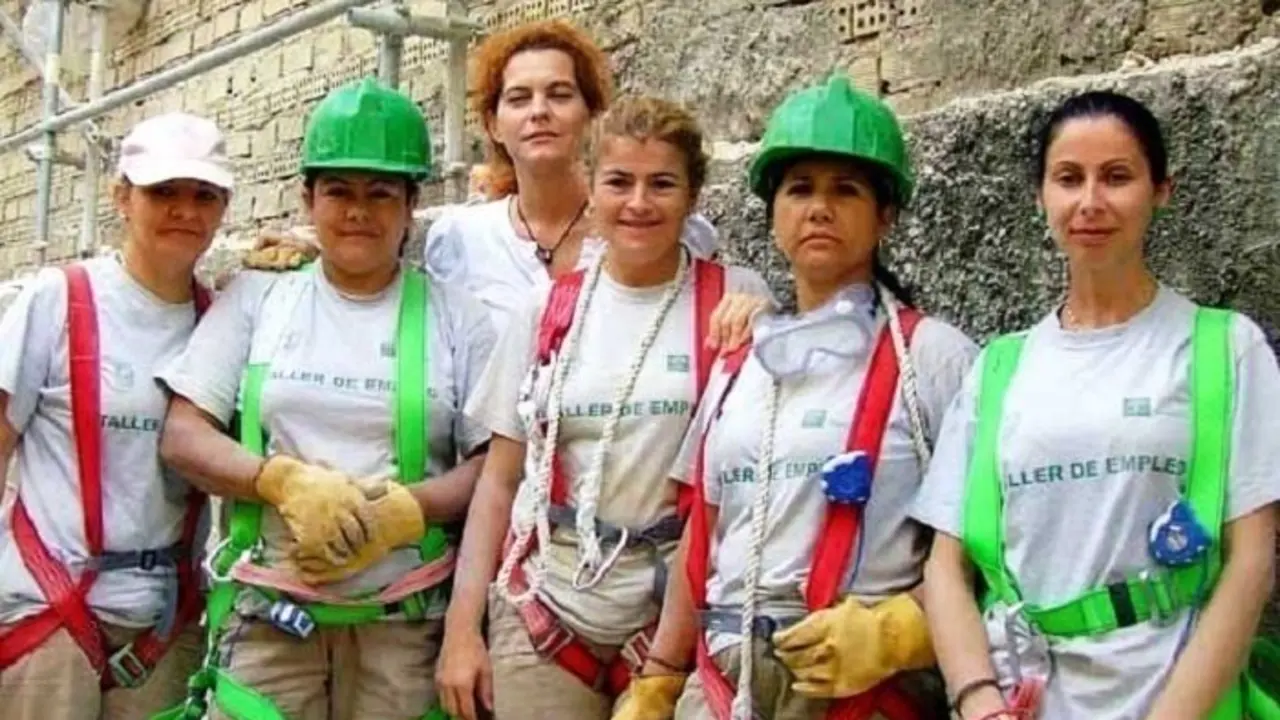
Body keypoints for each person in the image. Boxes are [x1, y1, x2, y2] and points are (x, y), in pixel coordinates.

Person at [613, 75, 976, 720]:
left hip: (861, 687)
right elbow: (707, 528)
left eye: (847, 190)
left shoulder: (934, 358)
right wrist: (662, 676)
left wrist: (899, 633)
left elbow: (980, 542)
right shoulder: (740, 361)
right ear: (773, 209)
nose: (819, 208)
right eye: (800, 188)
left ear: (885, 214)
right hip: (725, 682)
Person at [915, 90, 1280, 720]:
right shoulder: (998, 368)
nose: (1090, 202)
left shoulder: (1224, 348)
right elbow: (945, 567)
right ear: (1041, 197)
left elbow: (1251, 560)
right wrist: (978, 700)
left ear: (1161, 190)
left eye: (1116, 177)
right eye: (1068, 178)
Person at [155, 78, 497, 720]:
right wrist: (279, 482)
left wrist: (406, 511)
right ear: (308, 198)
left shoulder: (460, 319)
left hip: (403, 624)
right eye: (338, 191)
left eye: (381, 193)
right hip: (267, 622)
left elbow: (492, 466)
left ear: (410, 205)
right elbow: (183, 434)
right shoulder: (258, 299)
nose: (358, 211)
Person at [436, 94, 775, 720]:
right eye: (619, 181)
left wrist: (767, 331)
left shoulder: (736, 299)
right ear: (589, 187)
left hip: (683, 614)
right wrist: (463, 631)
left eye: (662, 184)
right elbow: (499, 481)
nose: (639, 203)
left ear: (694, 194)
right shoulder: (545, 313)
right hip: (547, 607)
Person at [245, 20, 753, 348]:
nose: (539, 112)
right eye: (518, 98)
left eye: (559, 94)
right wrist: (314, 247)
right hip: (489, 474)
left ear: (593, 114)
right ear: (492, 124)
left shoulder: (667, 228)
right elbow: (392, 275)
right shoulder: (460, 239)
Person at [0, 112, 231, 719]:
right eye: (163, 192)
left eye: (202, 194)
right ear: (122, 197)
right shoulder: (60, 300)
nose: (185, 209)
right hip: (48, 617)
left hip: (164, 623)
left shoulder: (223, 322)